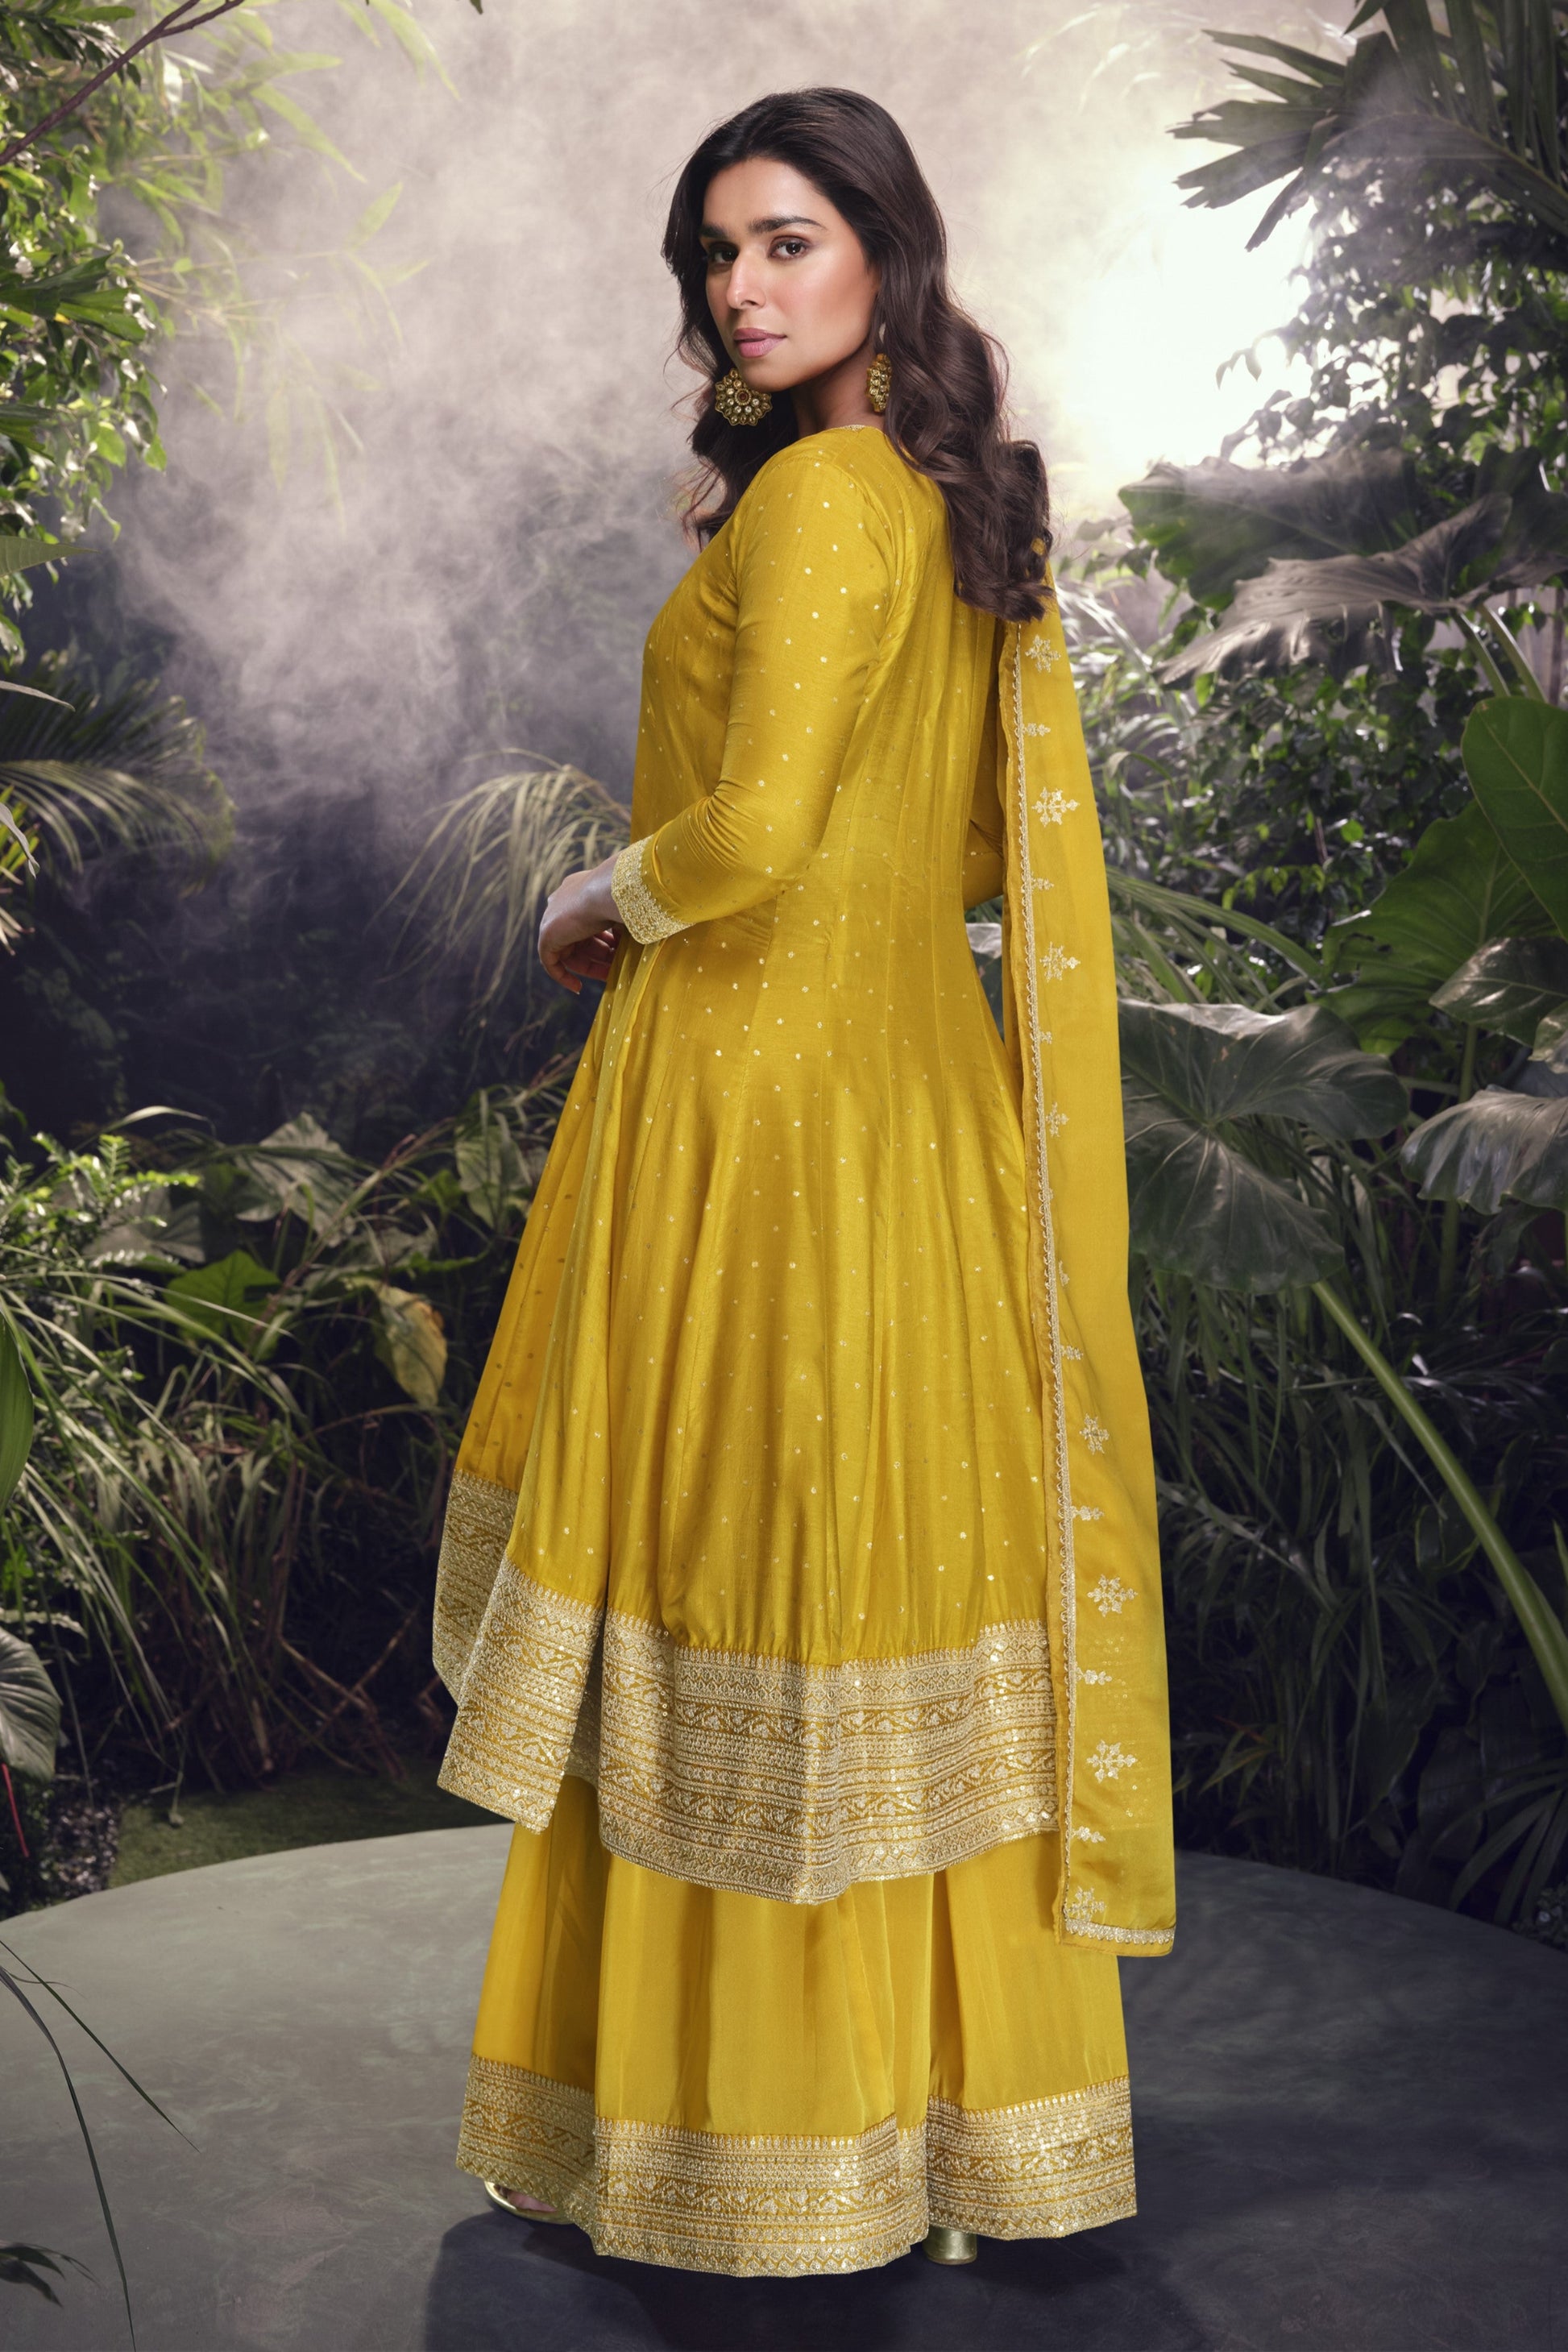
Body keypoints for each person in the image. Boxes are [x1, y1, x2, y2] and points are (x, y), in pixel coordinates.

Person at [430, 85, 1174, 2279]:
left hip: (762, 1107)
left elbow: (752, 836)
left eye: (784, 244)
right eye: (715, 255)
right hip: (915, 1108)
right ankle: (941, 2140)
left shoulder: (825, 499)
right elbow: (966, 848)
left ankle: (745, 2153)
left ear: (882, 251)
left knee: (748, 1577)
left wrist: (593, 896)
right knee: (894, 1579)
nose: (740, 293)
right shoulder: (950, 505)